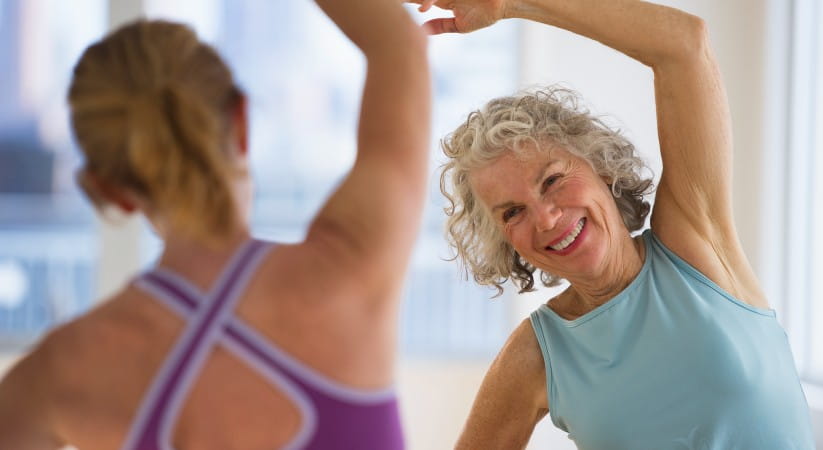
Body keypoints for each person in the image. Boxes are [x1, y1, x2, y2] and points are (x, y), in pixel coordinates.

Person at [0, 0, 430, 448]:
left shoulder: (61, 373)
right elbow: (398, 41)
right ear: (241, 121)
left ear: (111, 191)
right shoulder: (351, 262)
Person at [415, 0, 816, 448]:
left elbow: (685, 45)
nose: (546, 217)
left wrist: (512, 4)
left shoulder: (695, 242)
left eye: (552, 180)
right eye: (512, 212)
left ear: (602, 169)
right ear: (505, 241)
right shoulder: (537, 355)